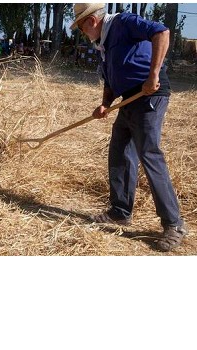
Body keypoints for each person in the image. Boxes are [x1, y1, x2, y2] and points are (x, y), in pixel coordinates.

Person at [71, 3, 188, 251]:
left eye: (81, 26)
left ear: (91, 21)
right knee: (120, 151)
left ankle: (174, 224)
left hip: (149, 96)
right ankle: (120, 210)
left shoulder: (123, 23)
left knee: (149, 153)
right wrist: (104, 104)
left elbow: (162, 32)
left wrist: (153, 75)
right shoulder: (104, 42)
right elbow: (111, 77)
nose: (82, 32)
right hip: (128, 100)